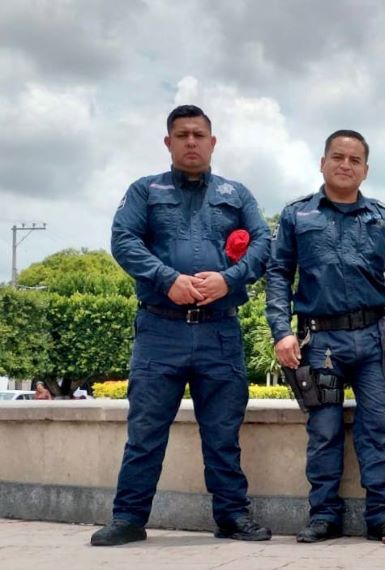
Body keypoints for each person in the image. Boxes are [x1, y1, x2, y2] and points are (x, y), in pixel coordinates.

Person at [92, 105, 272, 546]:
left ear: (213, 142)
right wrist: (165, 278)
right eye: (182, 134)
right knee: (145, 432)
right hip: (160, 330)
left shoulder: (237, 193)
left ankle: (232, 517)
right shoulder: (144, 191)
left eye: (199, 134)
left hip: (220, 331)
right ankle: (129, 519)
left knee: (223, 434)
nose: (191, 141)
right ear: (168, 142)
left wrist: (228, 279)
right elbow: (123, 240)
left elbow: (265, 242)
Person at [266, 129, 385, 543]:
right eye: (337, 157)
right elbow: (279, 275)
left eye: (354, 160)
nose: (345, 165)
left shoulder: (383, 218)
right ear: (322, 163)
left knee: (377, 429)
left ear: (365, 170)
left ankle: (383, 517)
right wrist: (281, 331)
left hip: (377, 341)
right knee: (324, 430)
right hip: (322, 347)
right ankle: (323, 516)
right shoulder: (296, 216)